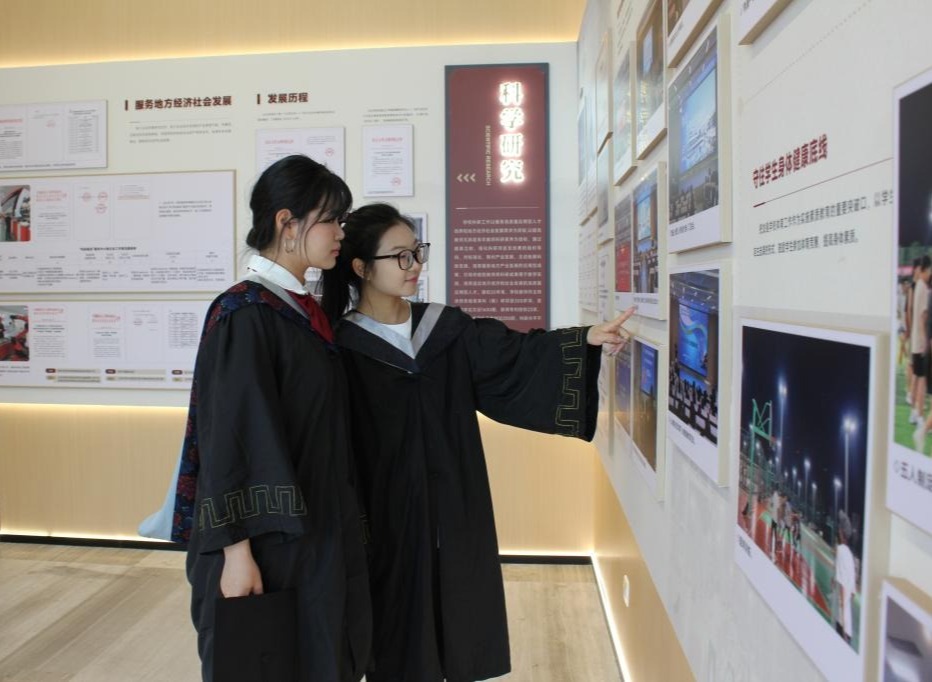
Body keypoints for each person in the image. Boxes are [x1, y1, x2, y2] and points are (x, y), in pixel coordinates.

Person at [320, 203, 634, 682]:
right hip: (387, 514)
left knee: (461, 609)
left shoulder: (445, 329)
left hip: (454, 500)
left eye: (417, 252)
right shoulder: (341, 348)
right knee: (397, 627)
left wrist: (586, 338)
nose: (415, 265)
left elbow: (515, 356)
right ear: (361, 268)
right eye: (400, 256)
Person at [173, 155, 371, 681]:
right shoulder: (245, 314)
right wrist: (236, 553)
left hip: (311, 538)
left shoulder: (301, 310)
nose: (340, 233)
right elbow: (230, 441)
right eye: (331, 220)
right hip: (263, 547)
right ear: (287, 223)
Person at [833, 515, 857, 645]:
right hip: (849, 628)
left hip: (842, 625)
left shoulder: (840, 551)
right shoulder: (850, 556)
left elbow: (842, 584)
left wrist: (842, 608)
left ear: (841, 532)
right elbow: (852, 593)